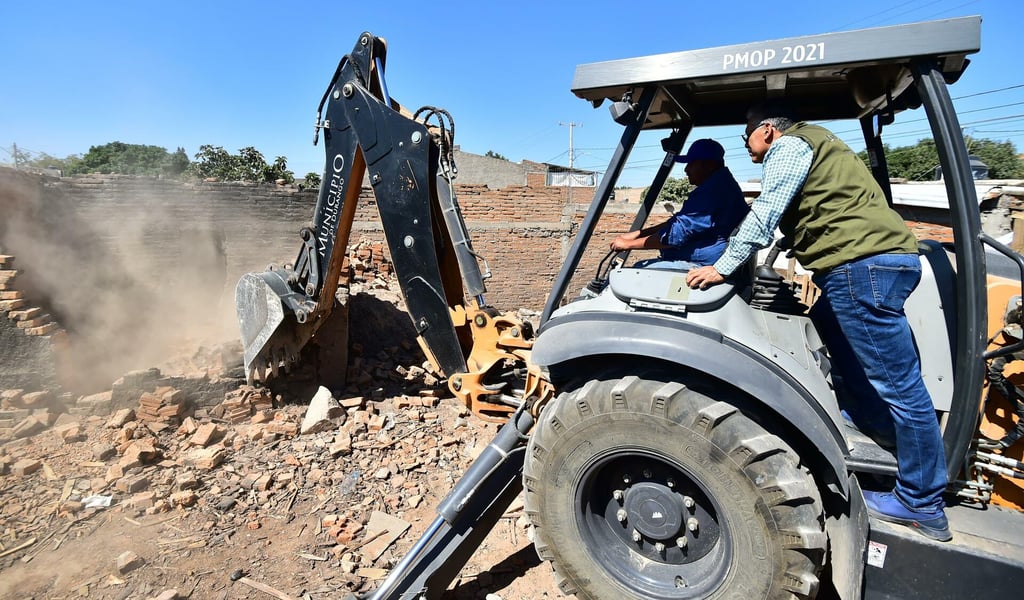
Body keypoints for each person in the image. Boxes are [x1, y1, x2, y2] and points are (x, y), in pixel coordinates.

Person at [685, 102, 952, 542]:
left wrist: (724, 266)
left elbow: (768, 209)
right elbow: (809, 209)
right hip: (867, 265)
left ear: (768, 131)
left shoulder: (789, 147)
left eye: (747, 135)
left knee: (900, 386)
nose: (746, 144)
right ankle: (872, 425)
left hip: (859, 269)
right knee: (827, 321)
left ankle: (921, 503)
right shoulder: (823, 146)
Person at [610, 139, 749, 268]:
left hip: (704, 263)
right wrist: (639, 234)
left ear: (710, 165)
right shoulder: (719, 185)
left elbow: (673, 236)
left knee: (635, 274)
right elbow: (678, 223)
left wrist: (628, 244)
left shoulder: (712, 192)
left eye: (691, 163)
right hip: (706, 256)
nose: (686, 169)